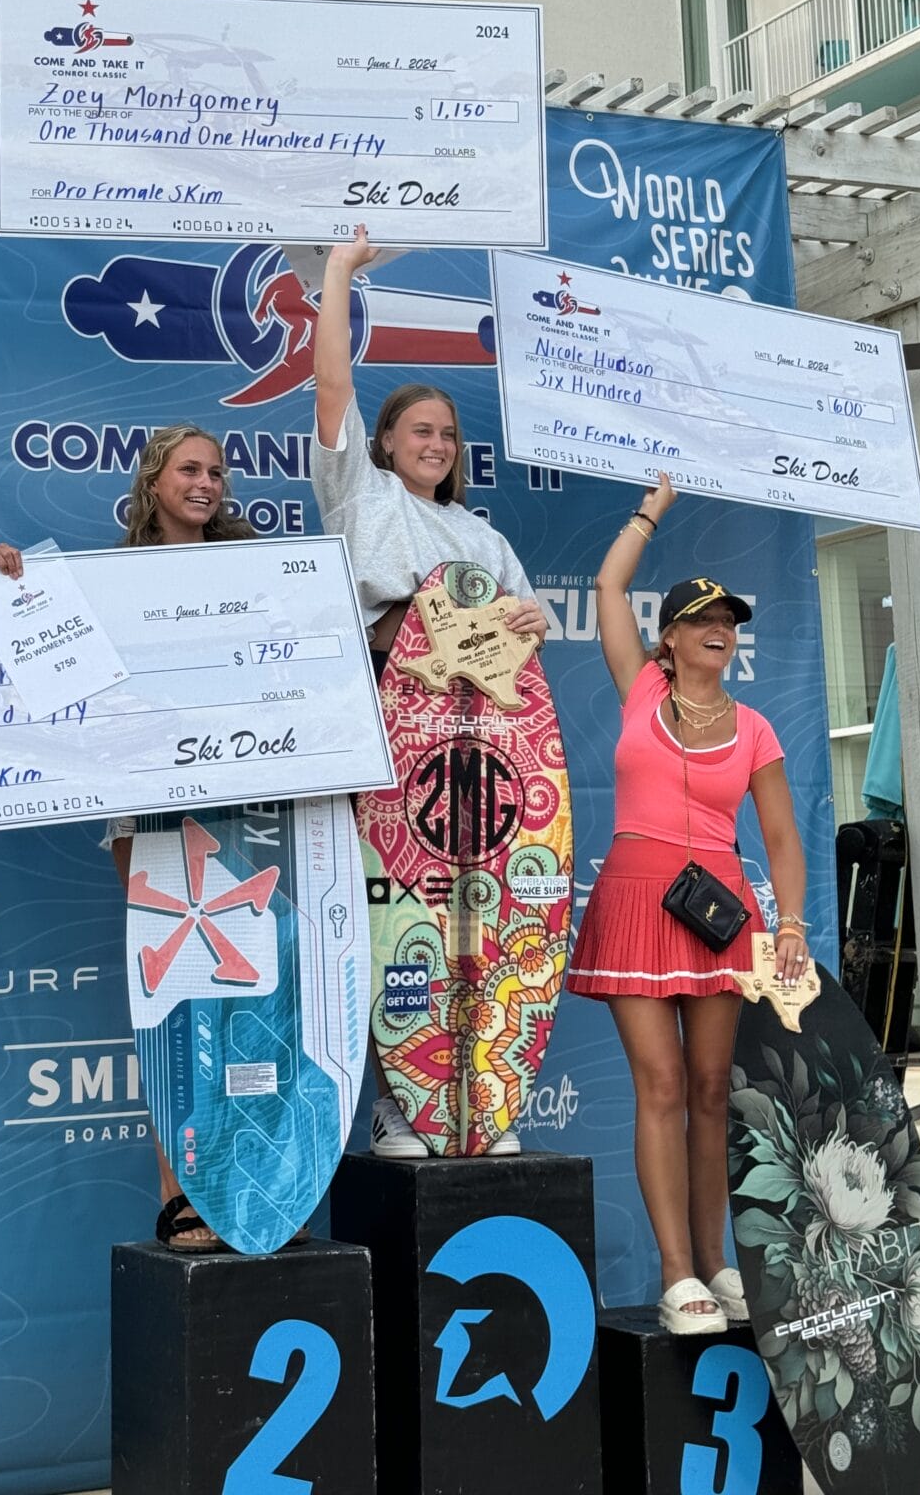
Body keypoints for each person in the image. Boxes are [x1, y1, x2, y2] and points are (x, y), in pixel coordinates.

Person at [0, 423, 252, 1251]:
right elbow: (35, 643)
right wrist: (10, 583)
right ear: (153, 480)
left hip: (244, 796)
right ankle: (180, 1191)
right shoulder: (103, 579)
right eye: (189, 470)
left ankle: (250, 1184)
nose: (205, 483)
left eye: (216, 471)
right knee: (172, 997)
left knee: (242, 1000)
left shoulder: (255, 569)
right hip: (146, 802)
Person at [312, 225, 549, 1158]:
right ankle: (399, 1104)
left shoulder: (484, 540)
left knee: (479, 917)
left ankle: (475, 1104)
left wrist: (527, 625)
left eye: (449, 434)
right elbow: (332, 382)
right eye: (421, 429)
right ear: (383, 443)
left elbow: (522, 650)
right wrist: (339, 271)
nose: (438, 444)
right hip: (388, 725)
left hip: (482, 750)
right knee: (395, 914)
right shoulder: (362, 498)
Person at [570, 475, 809, 1334]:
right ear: (667, 638)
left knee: (713, 1088)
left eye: (731, 621)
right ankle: (677, 1274)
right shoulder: (639, 687)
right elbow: (606, 587)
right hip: (637, 898)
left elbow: (782, 839)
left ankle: (718, 1261)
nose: (721, 629)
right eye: (703, 619)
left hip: (723, 914)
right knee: (663, 1083)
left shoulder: (756, 728)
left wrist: (788, 923)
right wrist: (650, 513)